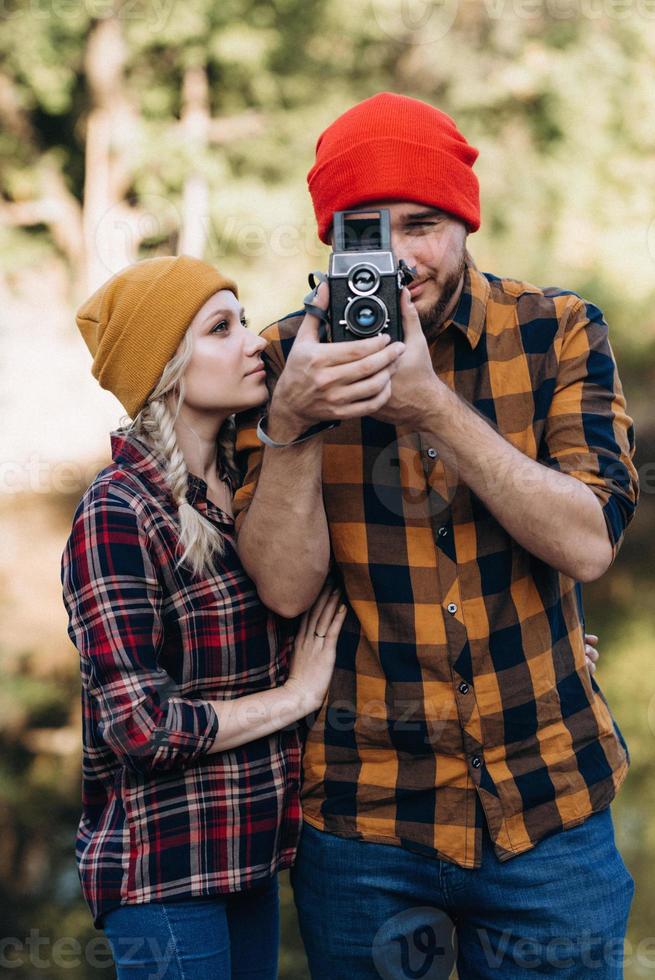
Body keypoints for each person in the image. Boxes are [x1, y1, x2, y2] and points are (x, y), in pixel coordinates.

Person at [233, 93, 638, 979]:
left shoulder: (556, 330)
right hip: (362, 820)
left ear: (463, 220)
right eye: (364, 229)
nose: (397, 256)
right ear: (329, 243)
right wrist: (293, 425)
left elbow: (587, 543)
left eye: (420, 224)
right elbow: (284, 591)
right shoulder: (278, 362)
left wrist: (432, 410)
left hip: (549, 803)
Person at [60, 255, 347, 979]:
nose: (255, 342)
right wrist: (294, 700)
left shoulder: (249, 489)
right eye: (222, 328)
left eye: (244, 319)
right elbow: (140, 727)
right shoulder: (118, 512)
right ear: (166, 369)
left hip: (247, 857)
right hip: (162, 872)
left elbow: (328, 619)